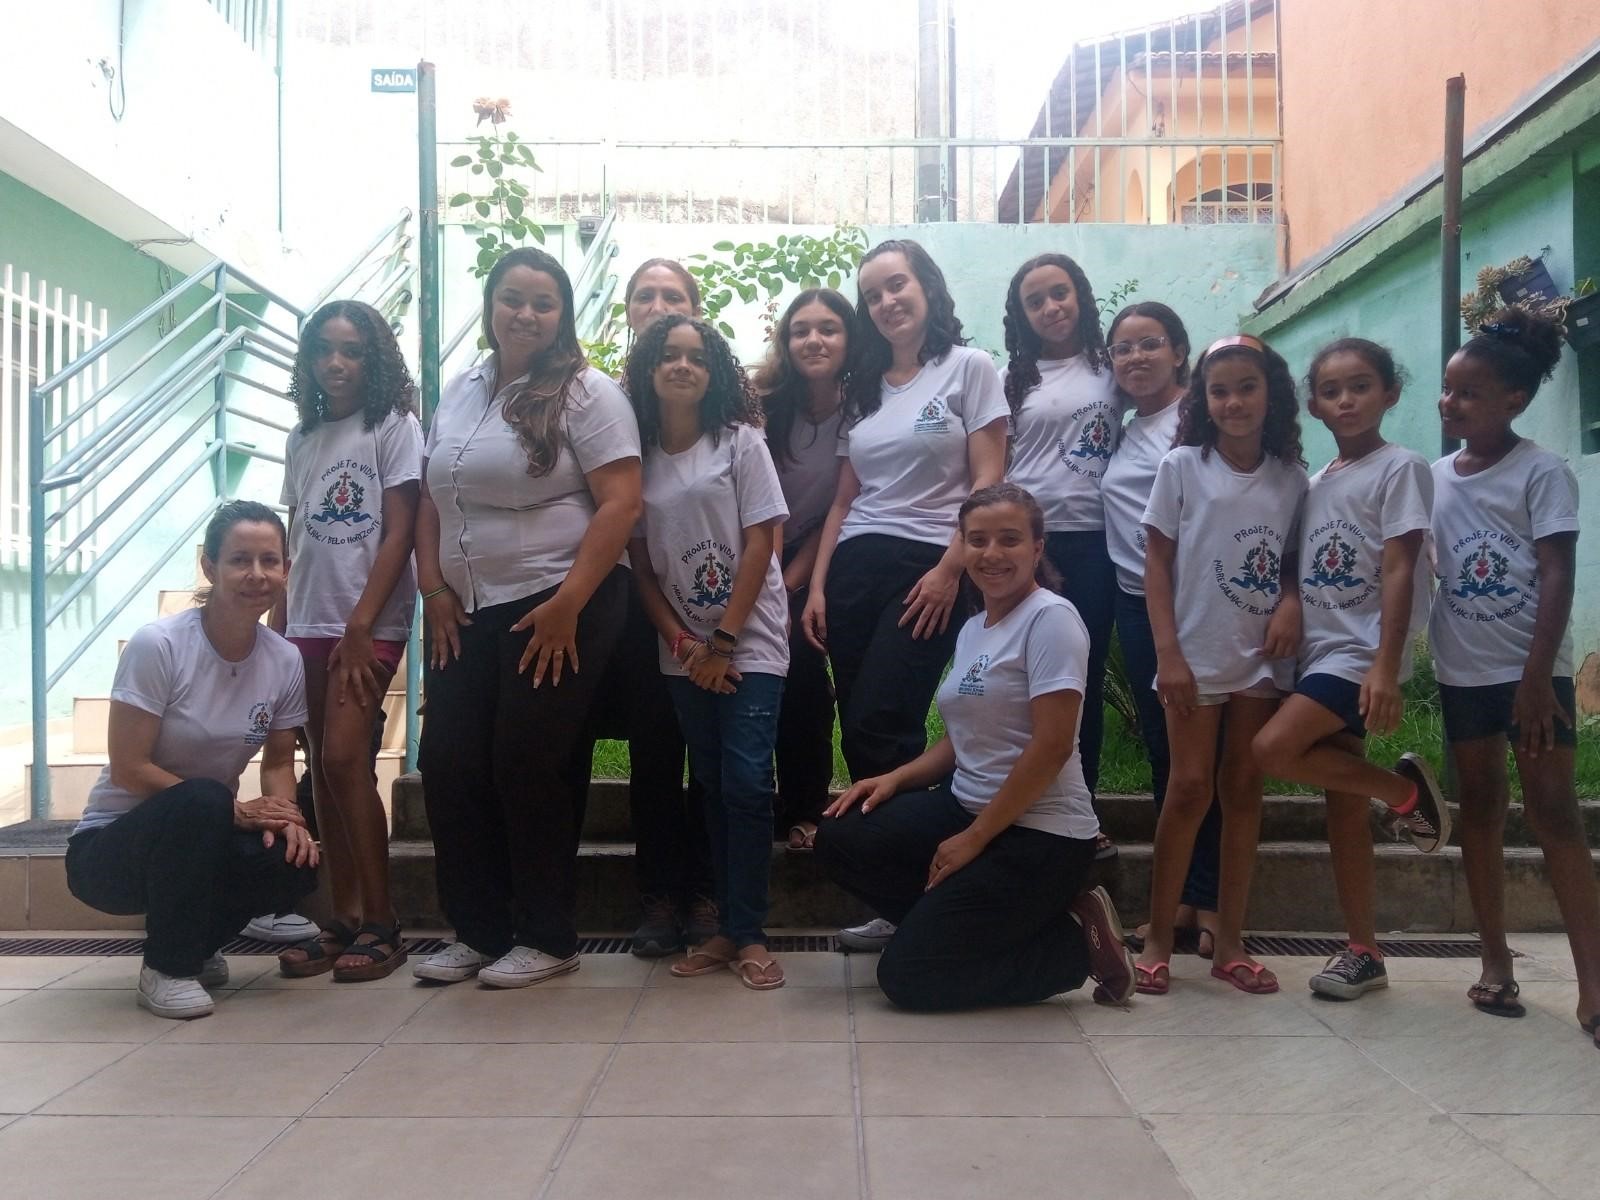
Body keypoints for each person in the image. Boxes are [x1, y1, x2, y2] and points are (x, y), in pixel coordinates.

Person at [412, 247, 642, 988]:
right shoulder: (461, 389)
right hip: (465, 610)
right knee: (449, 763)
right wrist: (433, 590)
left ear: (562, 315)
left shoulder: (587, 392)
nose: (526, 314)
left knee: (527, 764)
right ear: (490, 305)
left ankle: (547, 935)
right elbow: (431, 496)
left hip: (557, 603)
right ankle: (477, 932)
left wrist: (568, 603)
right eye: (513, 298)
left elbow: (622, 503)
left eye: (544, 303)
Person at [814, 483, 1135, 1010]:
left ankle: (1074, 943)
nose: (991, 554)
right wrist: (894, 779)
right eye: (977, 540)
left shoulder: (1051, 619)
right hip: (965, 807)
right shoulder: (975, 629)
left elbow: (1052, 746)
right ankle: (943, 930)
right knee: (841, 836)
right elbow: (960, 741)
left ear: (1037, 547)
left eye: (1009, 539)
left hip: (1039, 835)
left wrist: (974, 838)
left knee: (907, 980)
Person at [802, 239, 1008, 951]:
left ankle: (939, 890)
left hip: (927, 566)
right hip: (853, 569)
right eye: (873, 294)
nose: (886, 301)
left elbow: (988, 478)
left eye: (898, 285)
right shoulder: (863, 389)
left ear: (927, 287)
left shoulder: (969, 368)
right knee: (861, 730)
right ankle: (895, 894)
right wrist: (818, 587)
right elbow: (843, 500)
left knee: (883, 719)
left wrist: (953, 568)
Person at [66, 501, 319, 1019]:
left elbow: (277, 763)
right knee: (205, 798)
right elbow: (129, 767)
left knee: (291, 862)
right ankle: (167, 969)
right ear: (209, 566)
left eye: (269, 561)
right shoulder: (158, 645)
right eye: (239, 560)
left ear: (286, 570)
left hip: (206, 828)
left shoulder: (284, 658)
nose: (256, 574)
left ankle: (196, 945)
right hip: (112, 850)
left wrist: (288, 818)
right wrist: (235, 811)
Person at [1251, 339, 1445, 1000]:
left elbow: (1400, 565)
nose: (1346, 400)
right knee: (1342, 804)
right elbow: (1296, 567)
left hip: (1361, 651)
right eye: (1331, 391)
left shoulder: (1401, 467)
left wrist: (1387, 665)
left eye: (1361, 386)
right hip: (1318, 651)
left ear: (1390, 393)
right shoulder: (1315, 484)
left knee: (1271, 749)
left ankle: (1404, 794)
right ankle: (1364, 949)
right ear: (1313, 406)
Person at [1428, 307, 1600, 1043]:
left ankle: (1594, 985)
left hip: (1532, 674)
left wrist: (1535, 679)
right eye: (1447, 389)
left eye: (1468, 393)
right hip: (1463, 671)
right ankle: (1494, 961)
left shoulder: (1541, 471)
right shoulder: (1435, 478)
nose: (1450, 402)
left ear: (1514, 401)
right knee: (1480, 808)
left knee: (1555, 813)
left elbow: (1557, 574)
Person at [1133, 334, 1308, 997]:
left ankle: (1230, 942)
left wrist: (1291, 602)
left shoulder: (1292, 478)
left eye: (1247, 388)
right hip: (1195, 655)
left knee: (1243, 791)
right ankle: (1156, 940)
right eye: (1220, 390)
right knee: (1187, 789)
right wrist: (1168, 654)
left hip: (1261, 659)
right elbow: (1156, 565)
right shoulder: (1182, 467)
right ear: (1203, 400)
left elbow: (1291, 563)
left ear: (1272, 394)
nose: (1234, 402)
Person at [626, 314, 791, 990]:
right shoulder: (636, 455)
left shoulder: (740, 442)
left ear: (714, 370)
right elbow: (640, 566)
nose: (682, 366)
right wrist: (684, 642)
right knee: (714, 783)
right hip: (684, 651)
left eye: (696, 357)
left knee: (747, 783)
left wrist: (723, 642)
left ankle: (749, 932)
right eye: (669, 355)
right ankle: (724, 928)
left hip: (750, 640)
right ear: (649, 369)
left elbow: (761, 543)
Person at [273, 300, 422, 981]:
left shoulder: (391, 426)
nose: (336, 363)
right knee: (324, 772)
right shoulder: (302, 437)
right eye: (324, 350)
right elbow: (296, 538)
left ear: (375, 359)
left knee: (343, 758)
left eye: (353, 350)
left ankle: (383, 924)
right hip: (304, 621)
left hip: (368, 623)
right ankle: (342, 917)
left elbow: (400, 530)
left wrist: (362, 622)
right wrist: (277, 631)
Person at [591, 257, 718, 957]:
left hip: (712, 601)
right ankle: (661, 897)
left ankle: (707, 893)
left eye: (674, 295)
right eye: (646, 295)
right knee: (655, 749)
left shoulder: (720, 402)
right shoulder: (604, 401)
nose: (660, 305)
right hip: (633, 601)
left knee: (713, 753)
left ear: (695, 311)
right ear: (629, 311)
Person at [1099, 302, 1221, 957]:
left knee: (1207, 757)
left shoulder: (1200, 421)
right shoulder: (1124, 430)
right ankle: (1182, 899)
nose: (1135, 357)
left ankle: (1213, 903)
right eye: (1122, 349)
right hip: (1137, 604)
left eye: (1149, 344)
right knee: (1165, 754)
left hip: (1200, 607)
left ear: (1179, 351)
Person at [1001, 253, 1119, 861]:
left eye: (1059, 293)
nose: (1050, 308)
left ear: (1080, 296)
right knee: (1018, 681)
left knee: (1079, 682)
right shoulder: (1010, 379)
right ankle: (1013, 806)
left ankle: (1080, 814)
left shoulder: (1112, 366)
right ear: (1021, 315)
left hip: (1093, 541)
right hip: (1025, 545)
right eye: (1035, 301)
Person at [752, 288, 854, 851]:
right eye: (801, 330)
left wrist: (786, 584)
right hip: (748, 547)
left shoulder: (864, 407)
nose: (814, 340)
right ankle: (751, 799)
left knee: (805, 672)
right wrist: (763, 577)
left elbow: (842, 504)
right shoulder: (762, 405)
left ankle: (805, 804)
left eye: (829, 328)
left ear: (849, 339)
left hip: (817, 553)